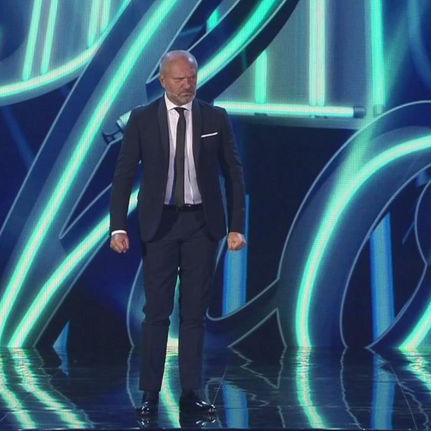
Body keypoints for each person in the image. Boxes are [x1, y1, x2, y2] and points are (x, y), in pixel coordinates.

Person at [109, 50, 247, 418]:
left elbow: (234, 174)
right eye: (180, 79)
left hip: (203, 224)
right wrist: (118, 225)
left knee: (194, 314)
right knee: (156, 312)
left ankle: (190, 393)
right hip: (161, 224)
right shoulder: (142, 119)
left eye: (192, 78)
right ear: (163, 81)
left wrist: (236, 226)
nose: (187, 85)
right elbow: (124, 174)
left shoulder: (215, 118)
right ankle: (149, 394)